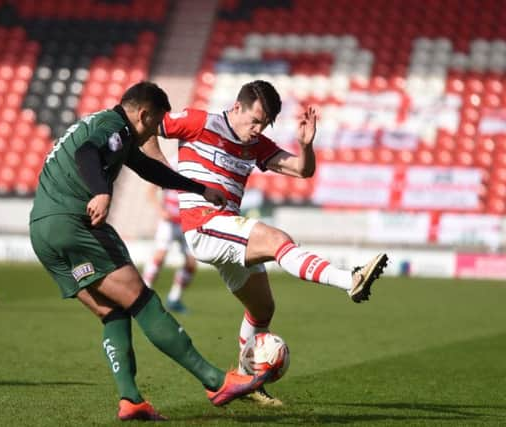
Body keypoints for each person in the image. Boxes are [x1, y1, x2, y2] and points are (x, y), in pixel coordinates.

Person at [28, 81, 270, 421]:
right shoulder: (114, 128)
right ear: (143, 114)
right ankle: (215, 380)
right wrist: (101, 192)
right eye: (155, 124)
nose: (155, 132)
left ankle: (130, 399)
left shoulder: (104, 126)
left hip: (42, 232)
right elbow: (86, 154)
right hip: (74, 223)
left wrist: (200, 188)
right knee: (143, 300)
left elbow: (147, 168)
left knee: (112, 311)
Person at [148, 80, 389, 406]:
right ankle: (351, 279)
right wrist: (164, 171)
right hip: (204, 225)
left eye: (264, 124)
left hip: (225, 228)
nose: (257, 129)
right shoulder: (197, 121)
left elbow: (303, 171)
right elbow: (148, 127)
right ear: (236, 108)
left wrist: (306, 145)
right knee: (277, 240)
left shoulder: (256, 145)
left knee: (262, 309)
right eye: (255, 120)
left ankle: (248, 382)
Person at [142, 158, 197, 313]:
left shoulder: (196, 164)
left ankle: (174, 298)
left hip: (187, 222)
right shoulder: (172, 164)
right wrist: (160, 210)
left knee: (191, 263)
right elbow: (150, 190)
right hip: (169, 222)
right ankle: (142, 296)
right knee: (159, 257)